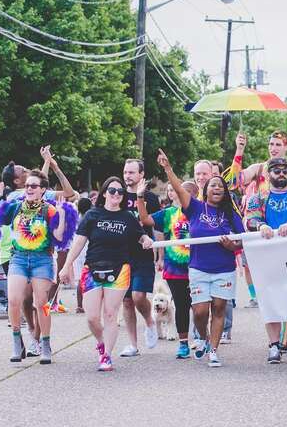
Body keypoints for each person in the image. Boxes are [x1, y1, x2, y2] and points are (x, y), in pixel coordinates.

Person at [159, 150, 244, 368]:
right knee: (200, 311)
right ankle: (204, 338)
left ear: (225, 193)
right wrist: (168, 169)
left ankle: (213, 351)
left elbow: (243, 241)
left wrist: (231, 246)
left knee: (218, 309)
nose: (217, 188)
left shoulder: (231, 215)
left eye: (221, 186)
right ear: (205, 191)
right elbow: (178, 188)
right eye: (213, 185)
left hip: (224, 269)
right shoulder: (195, 208)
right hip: (198, 268)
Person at [59, 177, 152, 371]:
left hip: (120, 270)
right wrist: (66, 266)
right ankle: (101, 342)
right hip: (92, 268)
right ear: (104, 193)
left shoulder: (127, 217)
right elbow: (79, 242)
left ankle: (107, 356)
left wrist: (145, 239)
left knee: (110, 314)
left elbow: (140, 234)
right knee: (92, 317)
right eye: (112, 190)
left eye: (120, 191)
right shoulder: (93, 215)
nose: (116, 194)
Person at [0, 170, 76, 364]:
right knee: (13, 300)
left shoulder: (49, 209)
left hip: (42, 260)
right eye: (27, 185)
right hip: (18, 259)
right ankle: (16, 342)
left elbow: (58, 237)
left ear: (43, 190)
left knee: (42, 304)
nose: (29, 188)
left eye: (33, 186)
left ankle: (45, 345)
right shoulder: (14, 207)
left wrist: (62, 215)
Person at [245, 157, 287, 364]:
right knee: (270, 302)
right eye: (277, 171)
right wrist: (261, 226)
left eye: (285, 171)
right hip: (267, 258)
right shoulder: (258, 198)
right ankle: (273, 344)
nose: (281, 174)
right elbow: (250, 220)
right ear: (268, 174)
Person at [137, 179, 199, 360]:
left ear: (194, 195)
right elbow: (145, 219)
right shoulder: (168, 214)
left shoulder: (200, 213)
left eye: (184, 191)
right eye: (176, 191)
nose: (179, 194)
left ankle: (203, 338)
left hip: (200, 267)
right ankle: (183, 343)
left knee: (200, 307)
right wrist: (140, 197)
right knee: (181, 306)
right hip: (175, 270)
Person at [118, 158, 161, 358]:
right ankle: (133, 345)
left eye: (132, 172)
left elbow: (156, 226)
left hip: (143, 253)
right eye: (126, 172)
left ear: (141, 175)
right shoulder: (116, 194)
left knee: (138, 297)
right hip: (120, 255)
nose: (128, 176)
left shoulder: (150, 198)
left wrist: (160, 253)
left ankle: (150, 322)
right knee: (126, 302)